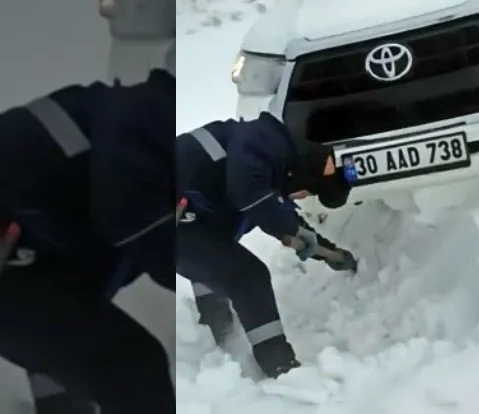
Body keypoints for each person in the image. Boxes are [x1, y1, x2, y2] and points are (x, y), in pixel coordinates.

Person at [0, 47, 176, 414]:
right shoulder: (153, 115)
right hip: (12, 254)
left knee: (79, 352)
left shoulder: (126, 112)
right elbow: (133, 218)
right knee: (134, 365)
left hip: (26, 259)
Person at [176, 111, 357, 379]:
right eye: (310, 191)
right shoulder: (265, 139)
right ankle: (281, 368)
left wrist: (327, 252)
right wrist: (288, 229)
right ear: (311, 174)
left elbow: (278, 212)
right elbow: (250, 193)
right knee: (249, 276)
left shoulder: (273, 169)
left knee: (218, 256)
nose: (302, 196)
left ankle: (215, 336)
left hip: (182, 222)